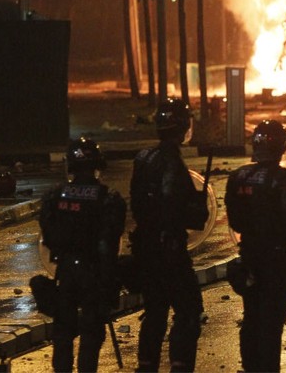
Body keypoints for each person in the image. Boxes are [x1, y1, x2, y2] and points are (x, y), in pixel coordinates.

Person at [224, 120, 286, 372]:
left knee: (251, 320)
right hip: (277, 261)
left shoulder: (238, 176)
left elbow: (236, 222)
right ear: (282, 146)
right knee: (271, 327)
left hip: (248, 258)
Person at [130, 99, 208, 372]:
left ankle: (146, 366)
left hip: (146, 249)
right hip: (170, 251)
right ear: (183, 126)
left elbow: (137, 205)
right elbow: (175, 208)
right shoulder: (173, 163)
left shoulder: (143, 158)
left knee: (155, 311)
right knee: (188, 310)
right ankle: (180, 365)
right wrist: (197, 210)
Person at [39, 138, 126, 373]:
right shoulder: (108, 198)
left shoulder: (55, 197)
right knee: (91, 331)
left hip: (65, 271)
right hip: (94, 272)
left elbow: (48, 238)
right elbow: (110, 240)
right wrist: (110, 278)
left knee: (63, 331)